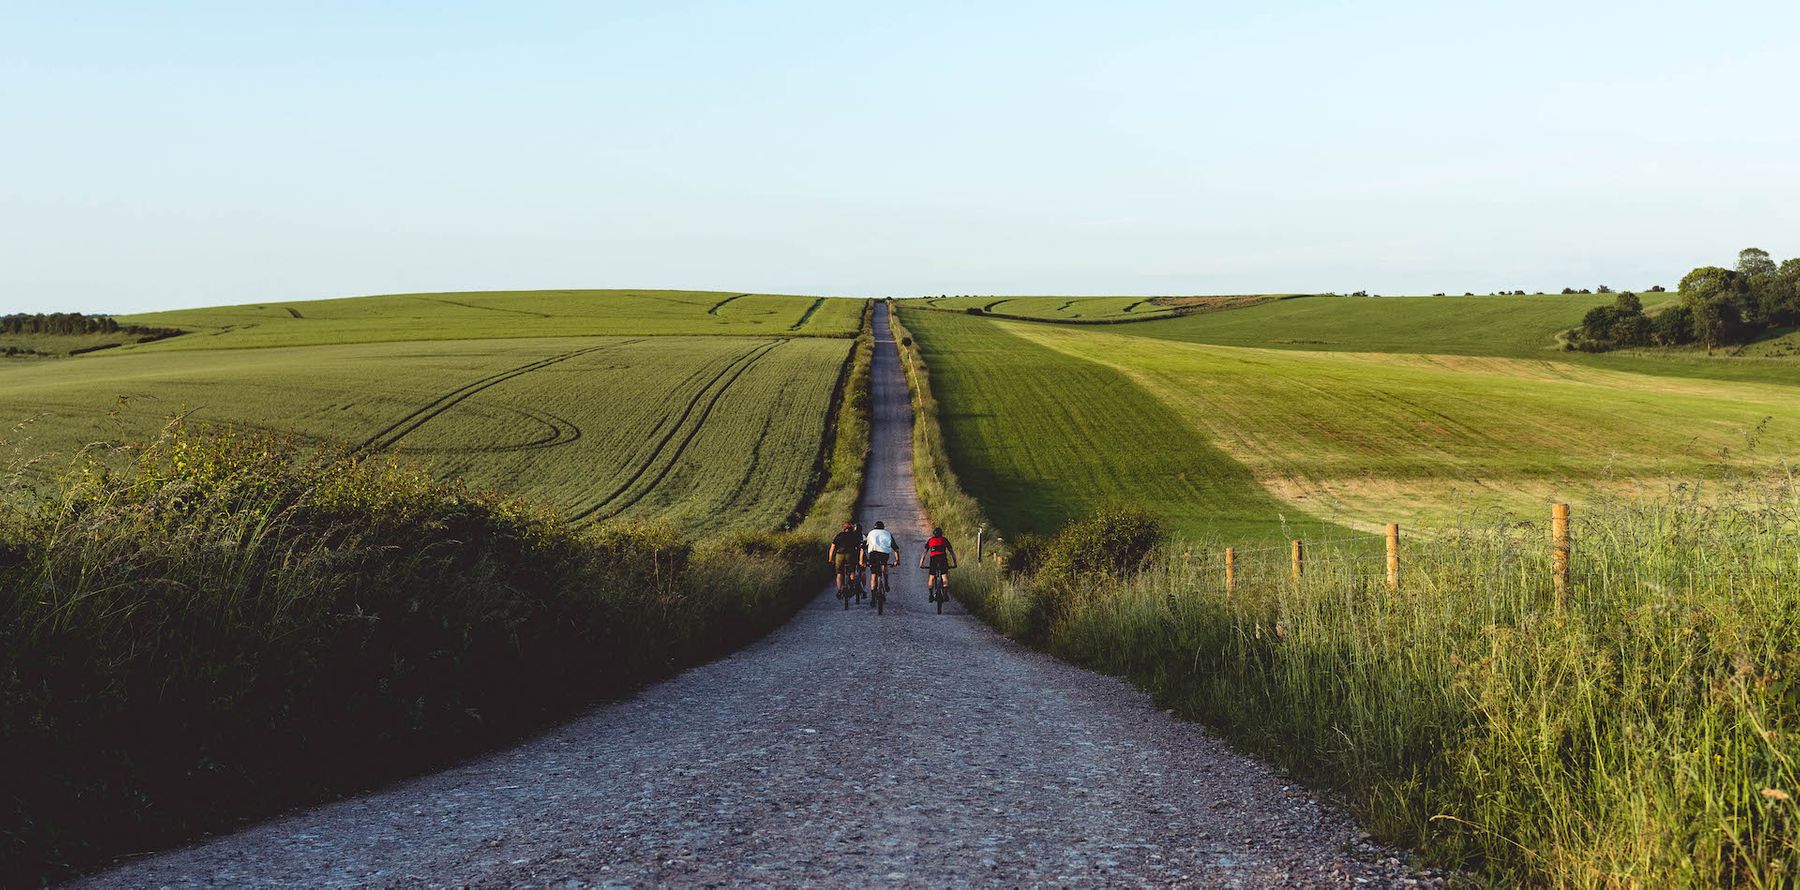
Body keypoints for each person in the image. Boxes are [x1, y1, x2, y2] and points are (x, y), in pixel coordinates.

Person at [920, 526, 957, 601]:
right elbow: (952, 552)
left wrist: (921, 563)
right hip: (942, 559)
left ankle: (930, 595)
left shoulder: (930, 540)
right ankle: (945, 595)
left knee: (931, 577)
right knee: (944, 577)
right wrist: (955, 563)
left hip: (933, 559)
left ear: (933, 534)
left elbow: (924, 553)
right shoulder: (944, 540)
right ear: (941, 534)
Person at [828, 522, 861, 600]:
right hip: (850, 555)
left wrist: (830, 559)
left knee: (839, 573)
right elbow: (858, 548)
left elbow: (832, 548)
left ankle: (839, 590)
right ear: (851, 529)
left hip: (839, 555)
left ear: (844, 528)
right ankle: (852, 587)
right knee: (852, 571)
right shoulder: (854, 536)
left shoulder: (839, 535)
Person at [863, 520, 898, 591]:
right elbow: (895, 548)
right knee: (884, 564)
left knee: (873, 574)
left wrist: (861, 560)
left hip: (873, 553)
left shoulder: (870, 533)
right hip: (884, 554)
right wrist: (897, 560)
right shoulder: (887, 533)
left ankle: (873, 597)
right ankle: (886, 582)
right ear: (883, 528)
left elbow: (863, 548)